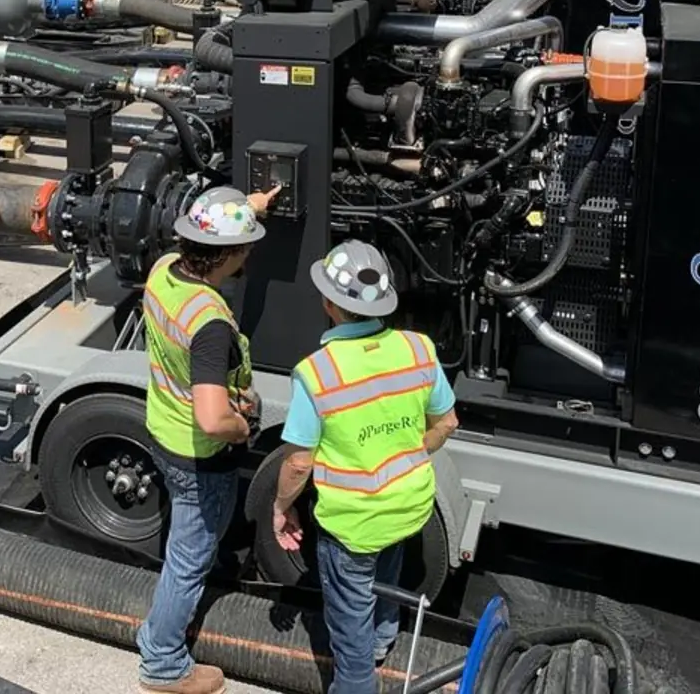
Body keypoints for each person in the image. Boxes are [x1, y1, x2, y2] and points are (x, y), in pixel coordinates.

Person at [271, 239, 459, 694]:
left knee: (349, 614)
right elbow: (447, 422)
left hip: (353, 522)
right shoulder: (418, 348)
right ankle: (382, 642)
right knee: (386, 574)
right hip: (409, 504)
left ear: (329, 303)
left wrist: (280, 507)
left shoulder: (317, 373)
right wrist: (408, 454)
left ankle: (358, 680)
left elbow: (298, 463)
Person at [136, 184, 281, 694]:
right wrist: (244, 426)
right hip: (199, 453)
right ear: (231, 253)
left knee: (193, 536)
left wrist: (250, 207)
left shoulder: (164, 270)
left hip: (163, 429)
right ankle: (162, 662)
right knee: (188, 560)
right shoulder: (210, 324)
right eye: (246, 246)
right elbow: (213, 419)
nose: (249, 255)